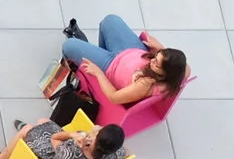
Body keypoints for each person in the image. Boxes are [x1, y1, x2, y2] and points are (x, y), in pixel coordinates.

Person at [44, 14, 187, 125]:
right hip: (133, 51)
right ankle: (97, 50)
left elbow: (114, 97)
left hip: (111, 66)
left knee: (69, 46)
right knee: (109, 20)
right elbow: (187, 69)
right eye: (156, 56)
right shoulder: (178, 72)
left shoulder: (146, 84)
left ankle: (87, 56)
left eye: (157, 64)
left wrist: (98, 73)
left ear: (165, 73)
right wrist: (161, 48)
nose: (153, 61)